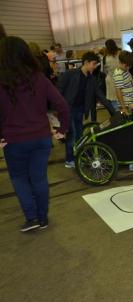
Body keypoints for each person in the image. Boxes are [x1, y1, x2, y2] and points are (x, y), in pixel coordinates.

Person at [0, 36, 69, 231]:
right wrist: (61, 130)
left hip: (13, 141)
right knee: (39, 178)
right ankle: (43, 218)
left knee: (19, 178)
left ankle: (31, 218)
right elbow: (62, 105)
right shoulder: (39, 77)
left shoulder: (2, 81)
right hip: (41, 138)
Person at [57, 51, 115, 168]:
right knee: (72, 135)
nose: (95, 67)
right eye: (94, 64)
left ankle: (77, 156)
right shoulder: (70, 74)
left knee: (79, 135)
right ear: (86, 63)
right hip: (68, 110)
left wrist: (114, 112)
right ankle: (69, 160)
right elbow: (59, 91)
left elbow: (100, 95)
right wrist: (59, 109)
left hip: (80, 110)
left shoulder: (91, 79)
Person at [103, 39, 120, 111]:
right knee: (121, 97)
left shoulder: (105, 57)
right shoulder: (120, 53)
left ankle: (117, 114)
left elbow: (104, 70)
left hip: (110, 79)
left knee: (113, 99)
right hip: (120, 78)